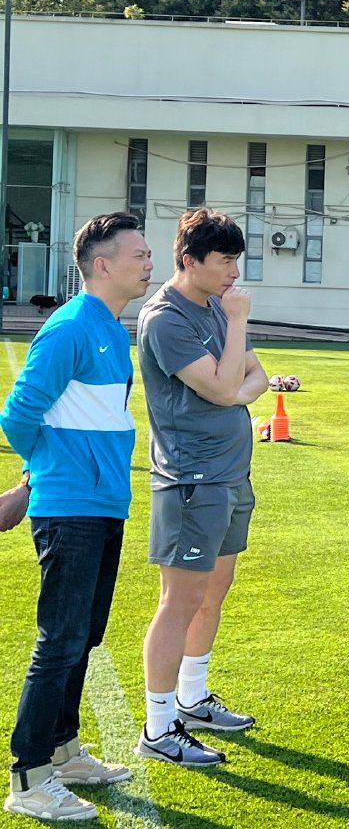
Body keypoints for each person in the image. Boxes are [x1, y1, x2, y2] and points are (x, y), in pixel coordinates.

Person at [1, 214, 152, 823]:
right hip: (71, 507)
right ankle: (29, 776)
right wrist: (45, 475)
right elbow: (17, 415)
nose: (149, 262)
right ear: (102, 265)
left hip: (103, 503)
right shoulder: (69, 328)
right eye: (138, 253)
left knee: (81, 638)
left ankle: (64, 754)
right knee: (59, 641)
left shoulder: (114, 331)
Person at [135, 209, 270, 767]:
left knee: (215, 590)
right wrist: (235, 340)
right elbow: (221, 385)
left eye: (237, 260)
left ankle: (192, 698)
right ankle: (159, 725)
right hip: (191, 478)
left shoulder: (216, 305)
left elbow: (255, 375)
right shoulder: (166, 318)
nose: (234, 272)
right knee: (180, 600)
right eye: (225, 261)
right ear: (189, 260)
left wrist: (236, 391)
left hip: (230, 474)